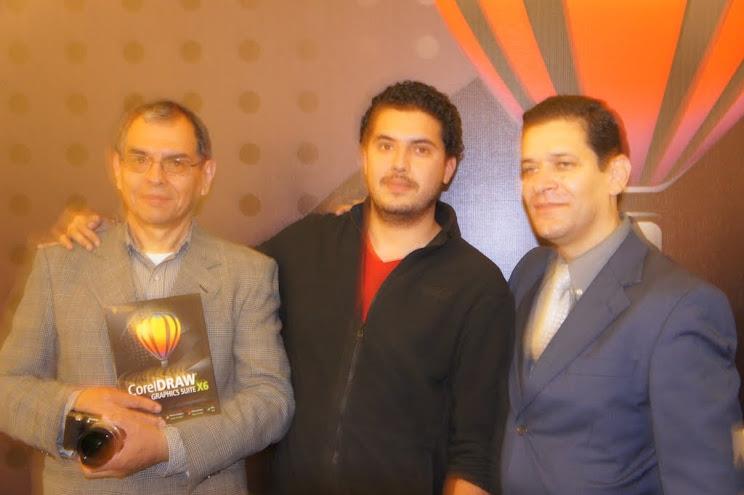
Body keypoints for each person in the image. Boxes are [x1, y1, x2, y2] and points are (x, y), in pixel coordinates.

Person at [55, 81, 515, 495]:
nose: (399, 164)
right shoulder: (304, 245)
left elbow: (474, 449)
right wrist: (117, 234)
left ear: (448, 167)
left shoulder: (477, 285)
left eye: (420, 150)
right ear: (364, 156)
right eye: (385, 145)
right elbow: (209, 277)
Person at [0, 100, 294, 494]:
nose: (156, 177)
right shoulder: (59, 266)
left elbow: (271, 401)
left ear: (205, 175)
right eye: (140, 160)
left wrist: (169, 447)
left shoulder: (248, 274)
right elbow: (8, 388)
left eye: (176, 163)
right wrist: (76, 405)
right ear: (117, 168)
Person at [500, 94, 742, 494]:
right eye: (530, 168)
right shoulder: (529, 273)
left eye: (563, 164)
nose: (541, 183)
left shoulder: (682, 307)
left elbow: (704, 481)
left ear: (616, 175)